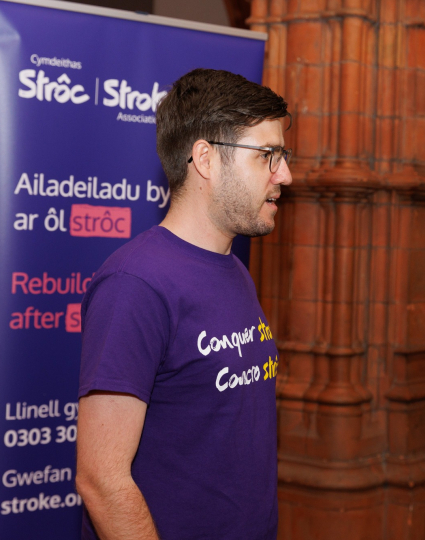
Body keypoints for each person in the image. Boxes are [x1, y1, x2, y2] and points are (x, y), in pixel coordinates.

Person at [75, 68, 293, 540]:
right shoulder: (135, 284)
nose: (286, 175)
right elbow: (101, 479)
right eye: (267, 156)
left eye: (284, 155)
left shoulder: (234, 268)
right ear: (206, 159)